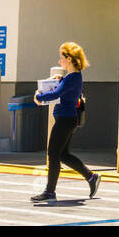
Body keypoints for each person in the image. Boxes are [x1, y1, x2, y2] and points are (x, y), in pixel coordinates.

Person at [31, 42, 99, 203]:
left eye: (61, 58)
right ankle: (91, 177)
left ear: (68, 59)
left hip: (65, 120)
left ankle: (49, 192)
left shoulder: (73, 78)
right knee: (63, 154)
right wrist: (60, 78)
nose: (60, 61)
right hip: (68, 119)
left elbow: (57, 93)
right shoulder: (72, 77)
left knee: (53, 153)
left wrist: (38, 97)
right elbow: (64, 88)